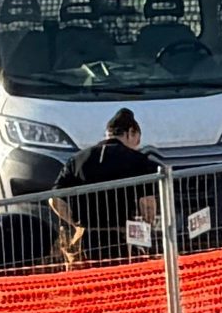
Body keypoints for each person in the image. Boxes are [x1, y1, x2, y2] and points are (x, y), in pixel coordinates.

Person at [53, 108, 161, 265]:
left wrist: (76, 225)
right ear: (131, 132)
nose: (137, 145)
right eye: (137, 140)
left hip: (87, 238)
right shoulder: (139, 161)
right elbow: (147, 205)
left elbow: (54, 199)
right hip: (122, 238)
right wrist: (146, 229)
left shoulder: (77, 159)